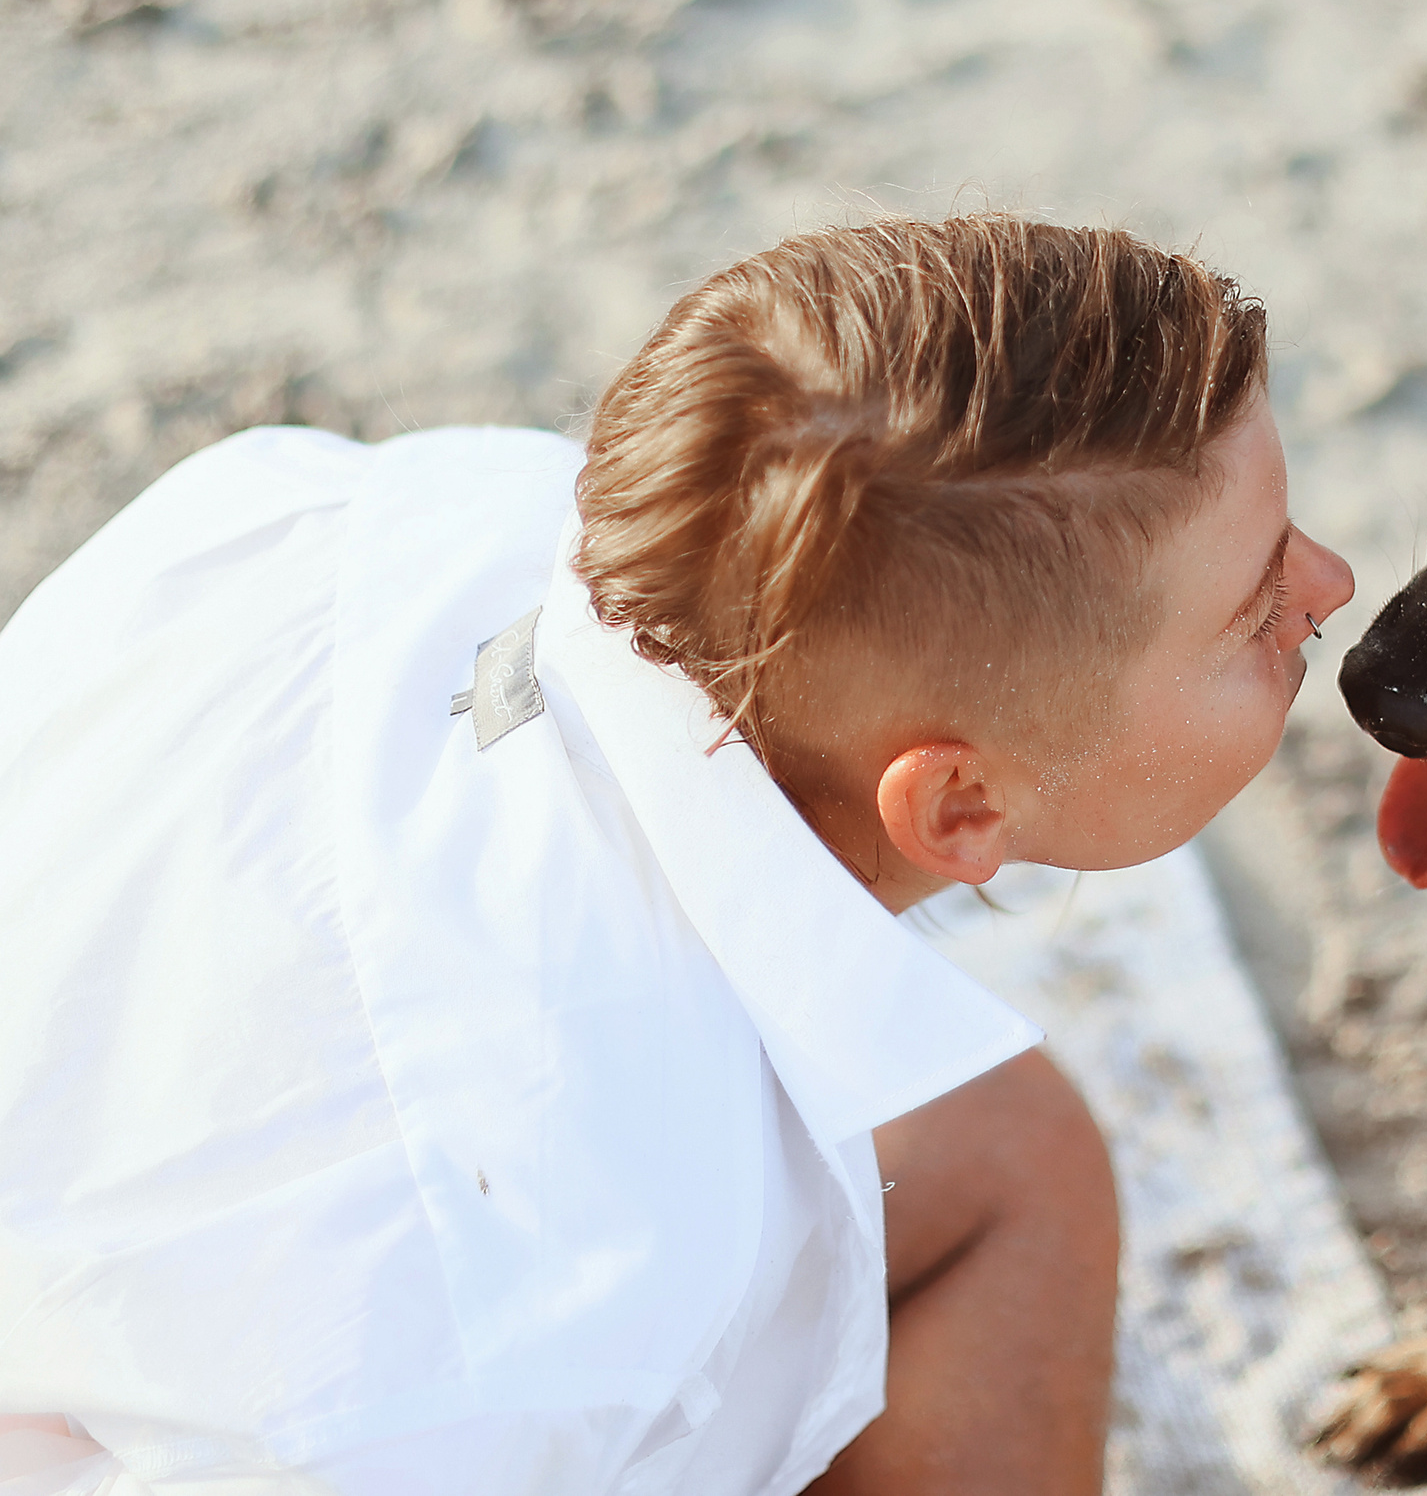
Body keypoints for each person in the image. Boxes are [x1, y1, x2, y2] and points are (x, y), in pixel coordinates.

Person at [0, 217, 1356, 1496]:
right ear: (954, 810)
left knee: (1007, 1143)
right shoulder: (563, 1297)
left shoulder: (363, 503)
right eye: (1253, 610)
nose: (1333, 584)